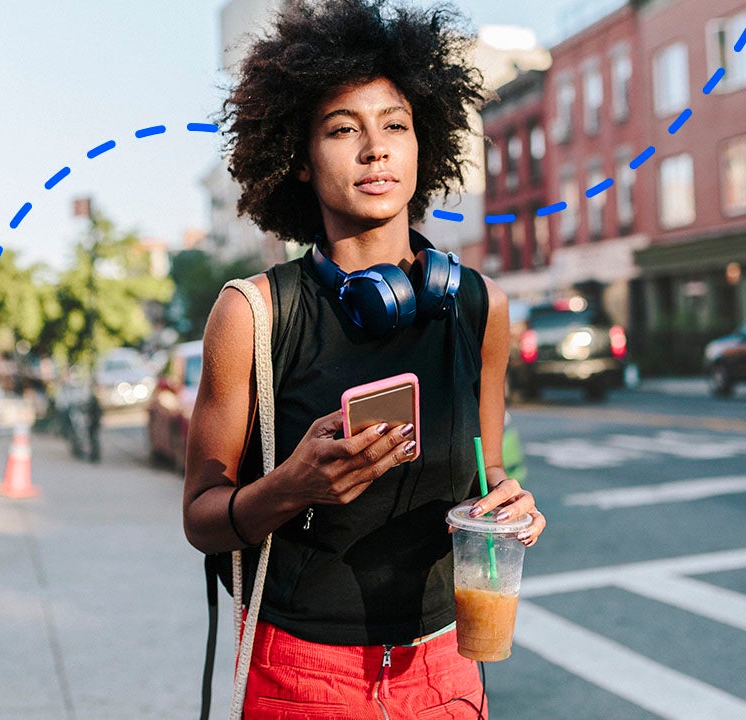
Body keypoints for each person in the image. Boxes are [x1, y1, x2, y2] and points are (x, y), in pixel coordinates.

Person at [182, 1, 546, 716]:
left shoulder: (481, 307)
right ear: (299, 158)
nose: (376, 149)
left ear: (425, 144)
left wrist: (509, 506)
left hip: (444, 669)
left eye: (396, 126)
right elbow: (200, 517)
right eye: (344, 129)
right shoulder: (253, 313)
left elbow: (489, 470)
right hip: (300, 674)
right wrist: (294, 486)